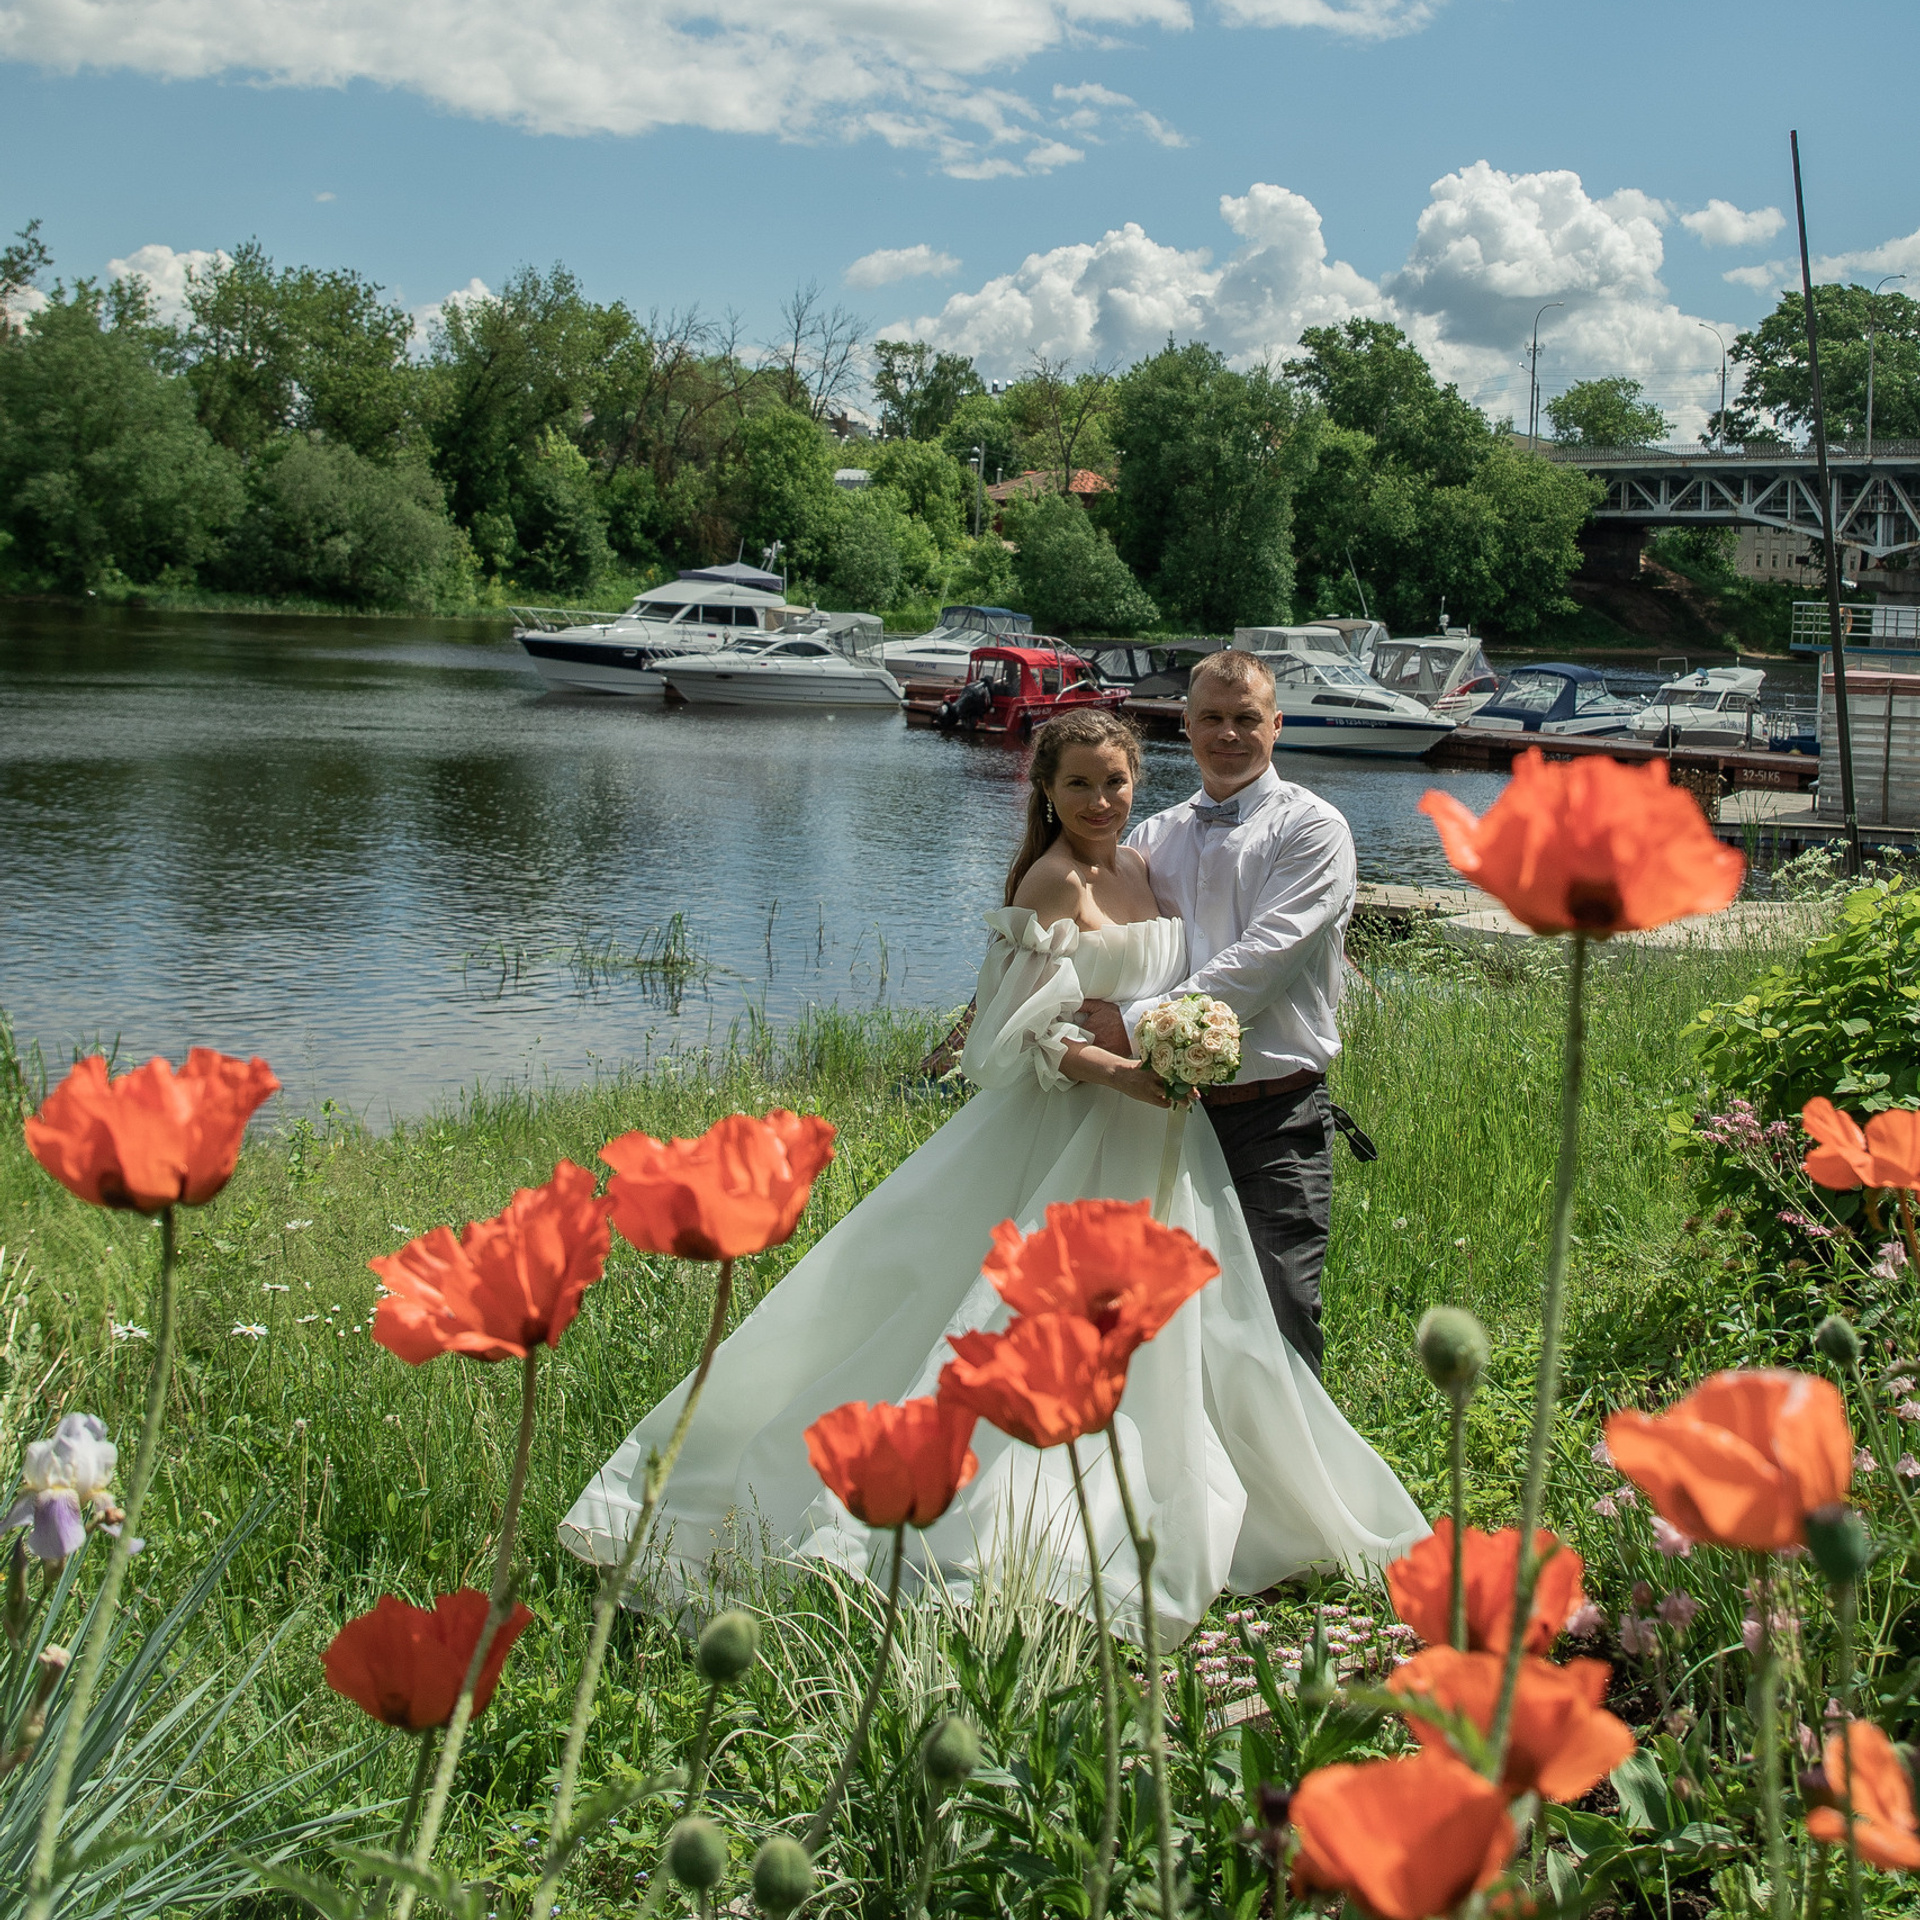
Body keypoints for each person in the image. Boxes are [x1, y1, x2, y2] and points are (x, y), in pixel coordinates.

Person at [560, 708, 1422, 1641]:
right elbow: (1018, 1035)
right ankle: (967, 1526)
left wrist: (1182, 1045)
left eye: (1117, 781)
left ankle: (1203, 1497)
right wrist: (1130, 1071)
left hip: (1162, 1138)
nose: (1101, 799)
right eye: (1081, 783)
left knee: (1180, 1333)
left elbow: (1201, 969)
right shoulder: (1049, 881)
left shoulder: (1146, 862)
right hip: (1073, 1127)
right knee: (1002, 1318)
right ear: (1046, 791)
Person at [1079, 650, 1350, 1376]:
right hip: (1161, 1113)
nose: (1228, 735)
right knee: (1162, 1327)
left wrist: (1130, 1025)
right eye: (1211, 719)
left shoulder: (1314, 830)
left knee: (1279, 1316)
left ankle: (1295, 1484)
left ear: (1277, 725)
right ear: (1186, 724)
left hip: (1273, 1119)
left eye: (1246, 719)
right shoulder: (1148, 838)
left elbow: (1263, 962)